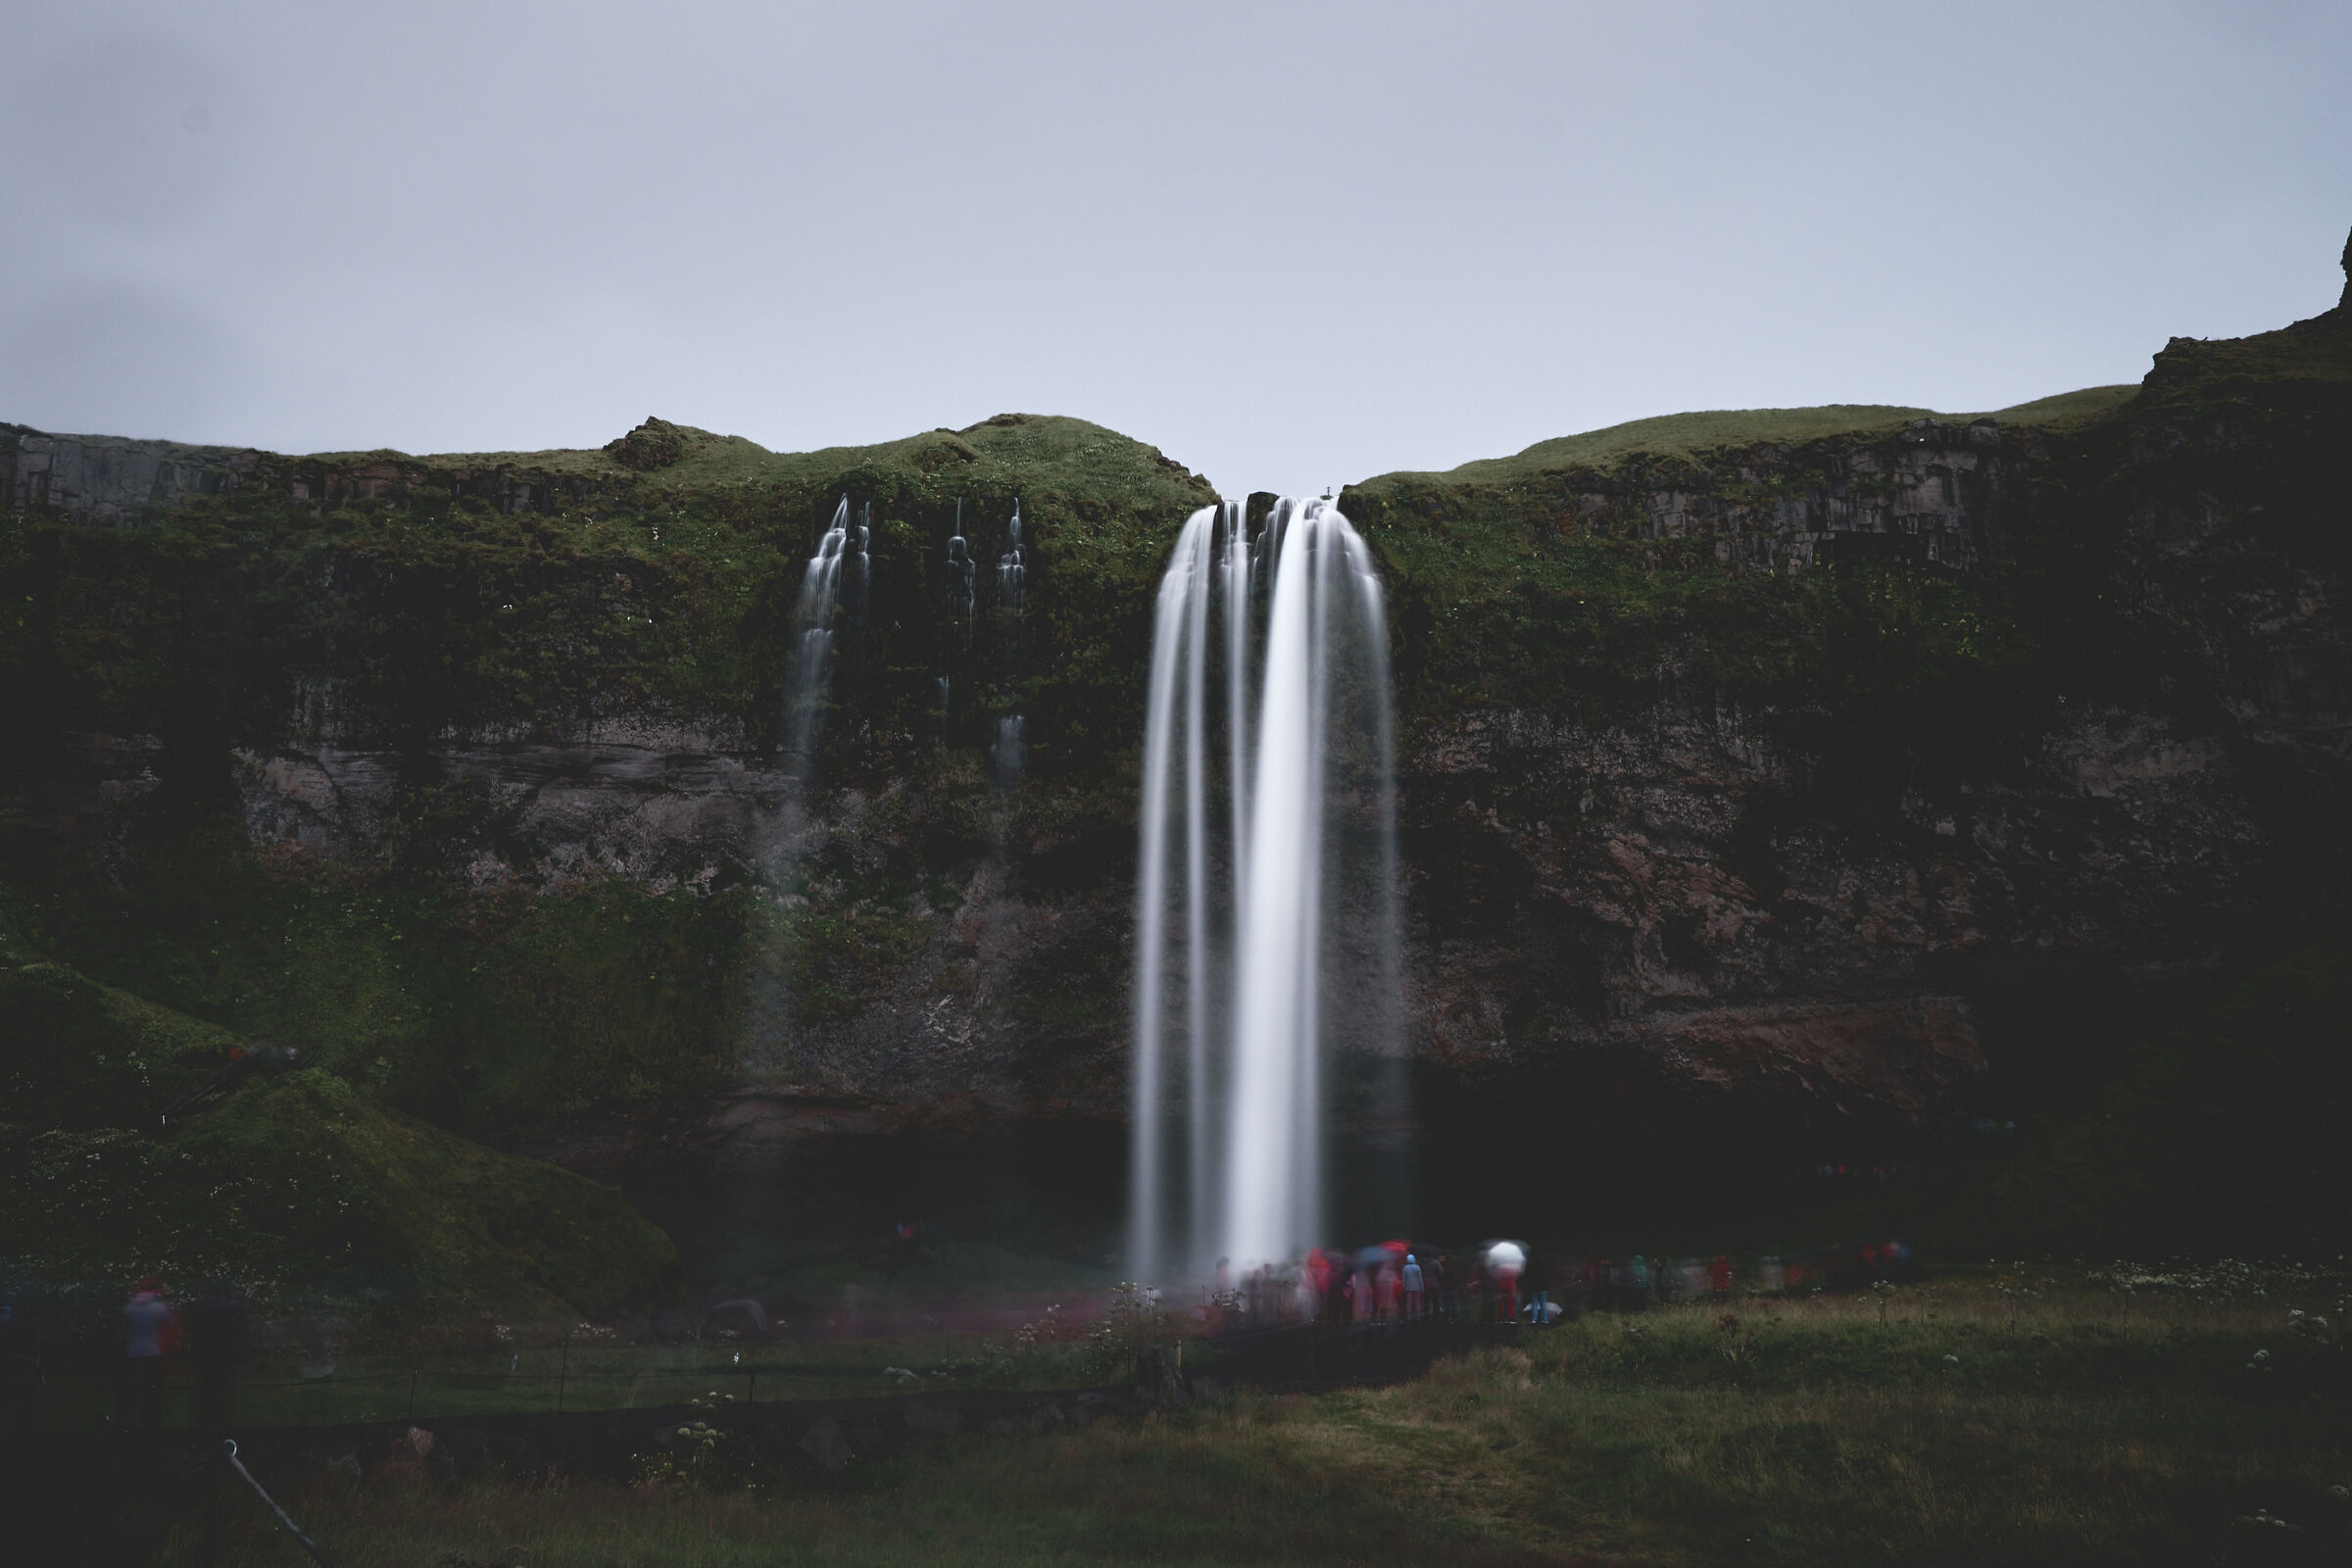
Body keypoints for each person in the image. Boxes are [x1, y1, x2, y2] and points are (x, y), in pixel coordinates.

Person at [187, 1278, 246, 1431]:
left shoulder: (202, 1307)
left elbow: (195, 1333)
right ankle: (223, 1421)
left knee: (206, 1389)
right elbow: (239, 1333)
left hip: (207, 1355)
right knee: (225, 1390)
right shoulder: (232, 1307)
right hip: (226, 1354)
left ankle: (206, 1420)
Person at [120, 1277, 177, 1433]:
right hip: (152, 1353)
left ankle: (127, 1425)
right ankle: (149, 1426)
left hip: (133, 1354)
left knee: (131, 1393)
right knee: (151, 1393)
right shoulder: (158, 1308)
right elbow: (170, 1323)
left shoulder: (131, 1308)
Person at [1400, 1253, 1424, 1320]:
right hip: (1417, 1287)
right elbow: (1420, 1279)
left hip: (1408, 1287)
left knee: (1409, 1303)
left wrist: (1404, 1289)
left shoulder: (1405, 1268)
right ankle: (1418, 1317)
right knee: (1417, 1303)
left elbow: (1404, 1280)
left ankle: (1409, 1318)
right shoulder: (1417, 1267)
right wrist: (1422, 1288)